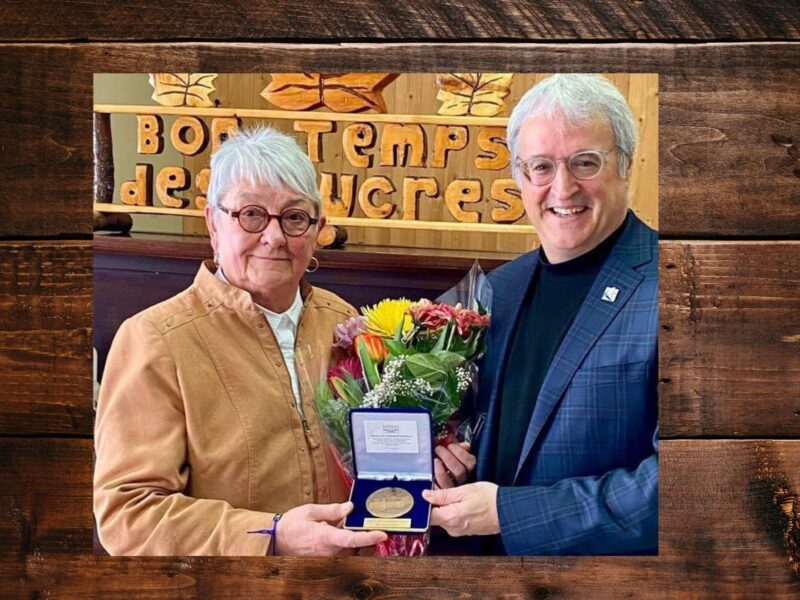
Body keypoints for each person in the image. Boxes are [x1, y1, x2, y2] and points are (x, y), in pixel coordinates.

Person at [94, 126, 389, 555]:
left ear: (317, 229)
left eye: (294, 217)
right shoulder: (155, 340)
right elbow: (128, 515)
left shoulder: (345, 323)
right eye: (251, 214)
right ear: (214, 223)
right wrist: (273, 536)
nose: (274, 237)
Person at [424, 74, 658, 555]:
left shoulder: (683, 290)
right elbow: (462, 425)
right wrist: (436, 452)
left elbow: (691, 484)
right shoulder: (493, 292)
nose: (563, 187)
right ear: (518, 176)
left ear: (626, 166)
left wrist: (509, 513)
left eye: (585, 163)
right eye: (541, 166)